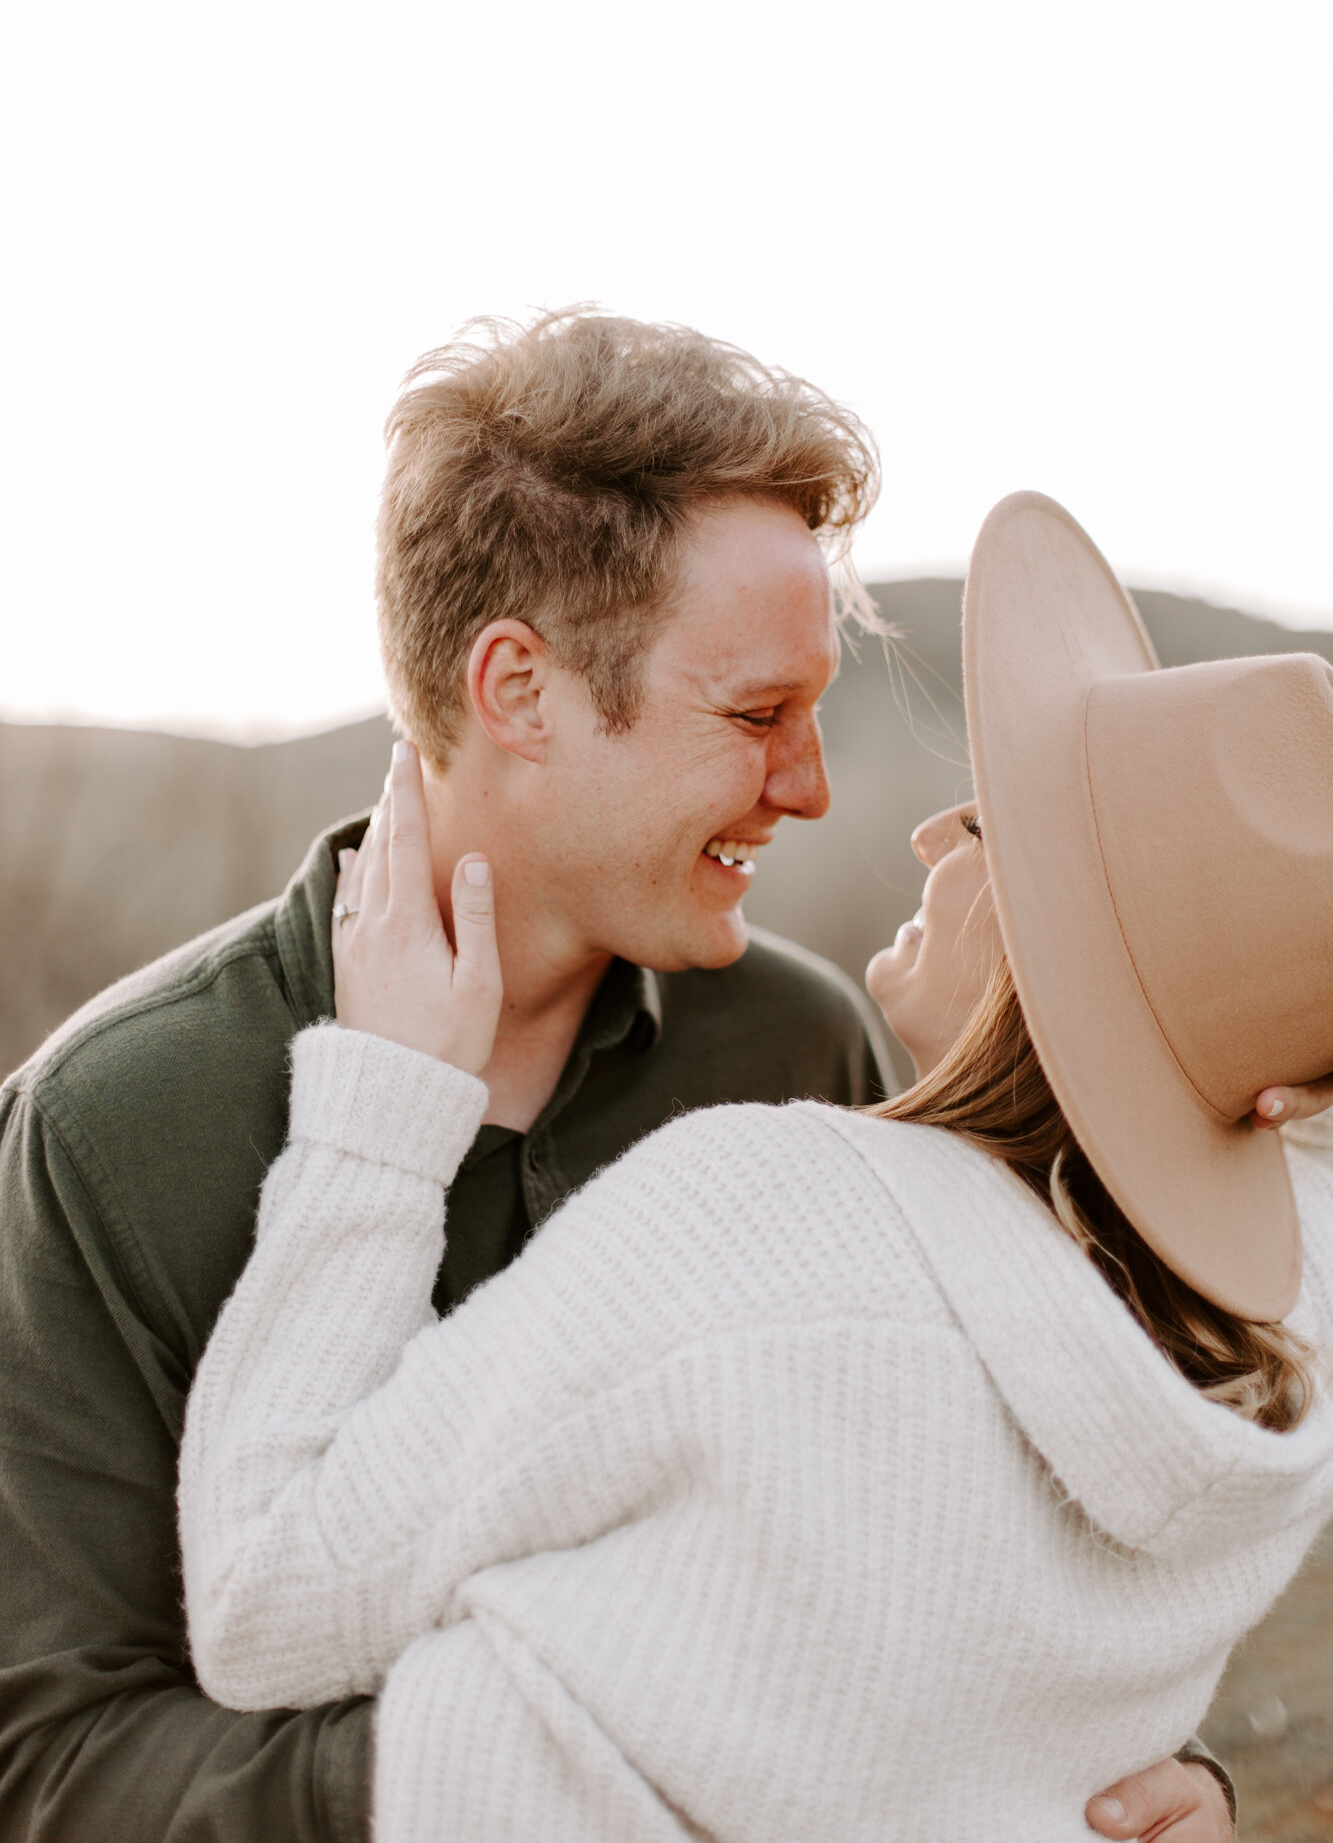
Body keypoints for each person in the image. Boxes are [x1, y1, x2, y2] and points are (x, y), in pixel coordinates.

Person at [0, 308, 1245, 1839]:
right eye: (755, 716)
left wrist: (1149, 1780)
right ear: (517, 690)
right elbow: (58, 1765)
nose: (811, 787)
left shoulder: (796, 1059)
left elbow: (954, 1563)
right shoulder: (112, 1126)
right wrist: (584, 1777)